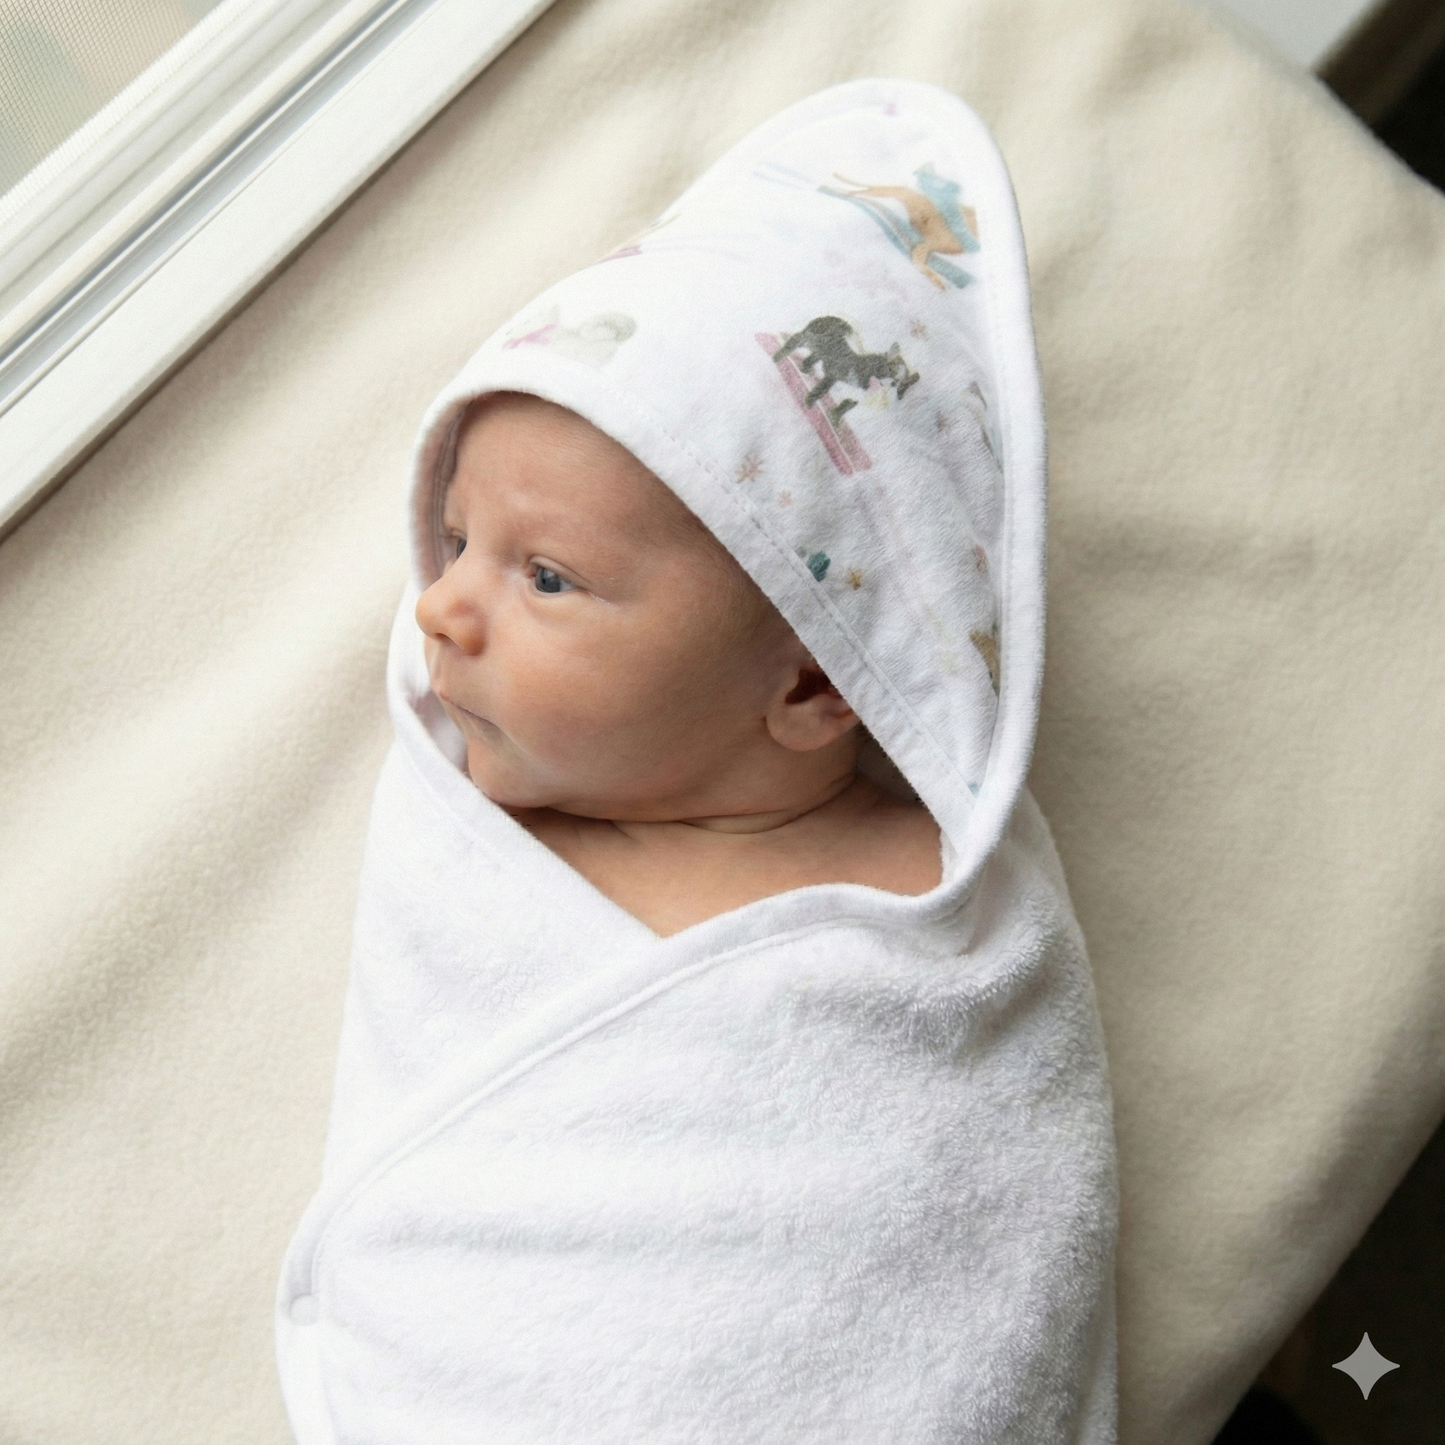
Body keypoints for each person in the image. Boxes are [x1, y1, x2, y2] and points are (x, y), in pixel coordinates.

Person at [278, 78, 1118, 1444]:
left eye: (546, 577)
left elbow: (975, 1237)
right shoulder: (479, 850)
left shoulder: (945, 934)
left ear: (809, 683)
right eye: (456, 537)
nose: (441, 606)